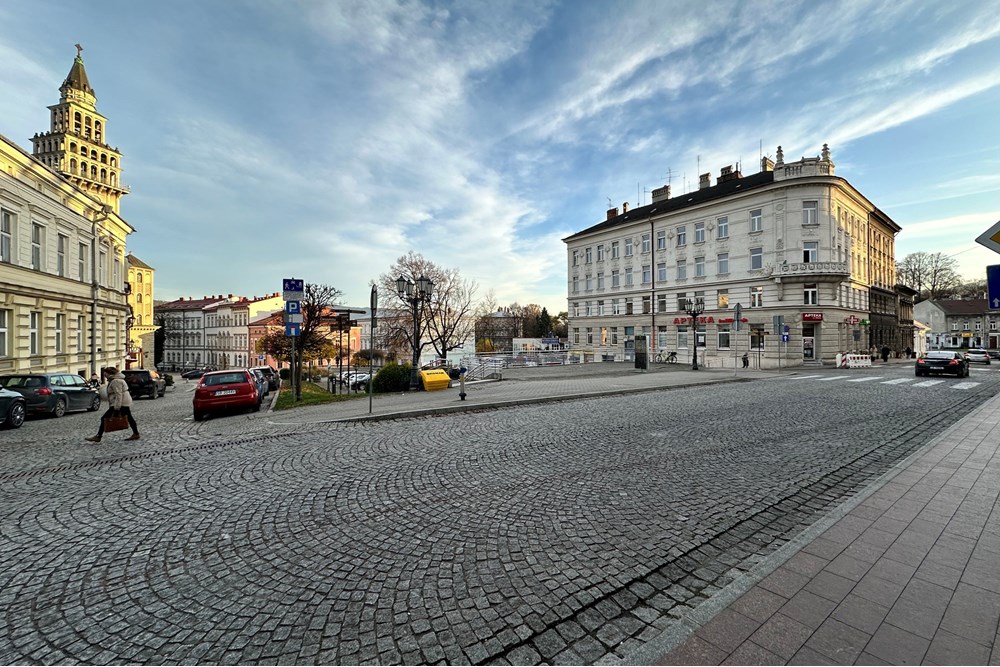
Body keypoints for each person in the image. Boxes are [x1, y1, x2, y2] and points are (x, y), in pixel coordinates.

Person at [86, 367, 139, 443]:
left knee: (104, 418)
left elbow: (118, 394)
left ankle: (98, 436)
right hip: (124, 401)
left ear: (109, 373)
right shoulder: (116, 379)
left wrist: (117, 407)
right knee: (129, 417)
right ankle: (136, 433)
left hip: (120, 403)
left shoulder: (115, 381)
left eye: (105, 374)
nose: (104, 375)